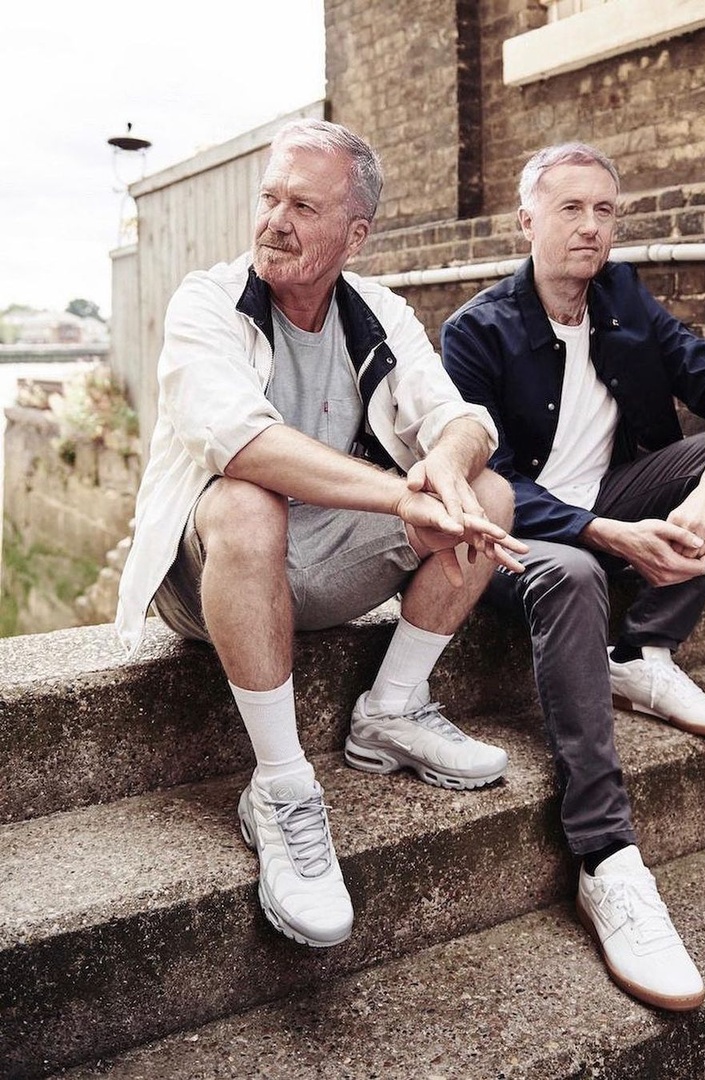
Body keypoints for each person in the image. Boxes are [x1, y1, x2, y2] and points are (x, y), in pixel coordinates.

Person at [115, 118, 528, 950]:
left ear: (355, 234)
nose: (274, 220)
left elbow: (463, 419)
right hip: (210, 576)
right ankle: (280, 788)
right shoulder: (207, 300)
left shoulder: (378, 310)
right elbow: (239, 442)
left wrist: (448, 470)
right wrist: (403, 496)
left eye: (302, 206)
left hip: (323, 562)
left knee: (487, 494)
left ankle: (389, 711)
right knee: (247, 501)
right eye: (269, 198)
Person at [441, 141, 705, 1011]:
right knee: (577, 573)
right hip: (518, 544)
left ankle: (642, 652)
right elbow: (486, 484)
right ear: (526, 221)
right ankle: (605, 858)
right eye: (569, 209)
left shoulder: (623, 299)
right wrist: (598, 531)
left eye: (604, 210)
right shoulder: (475, 331)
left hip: (613, 507)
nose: (590, 227)